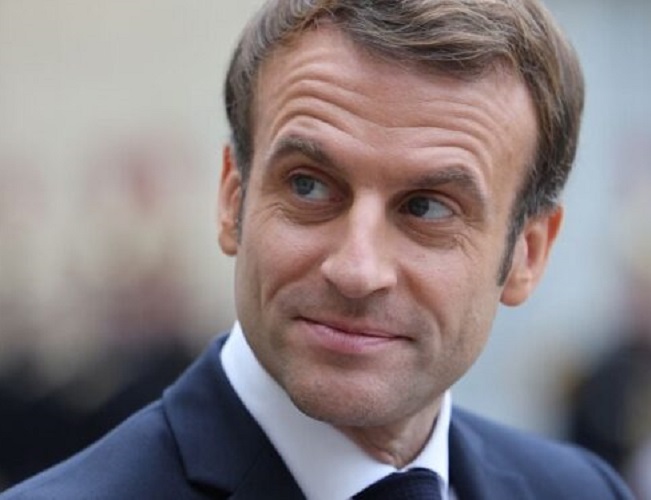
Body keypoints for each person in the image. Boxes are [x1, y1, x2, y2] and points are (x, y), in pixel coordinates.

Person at [1, 0, 634, 498]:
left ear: (527, 254)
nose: (357, 269)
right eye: (309, 186)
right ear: (232, 199)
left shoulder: (582, 492)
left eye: (427, 207)